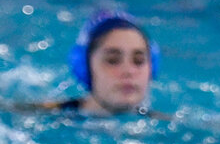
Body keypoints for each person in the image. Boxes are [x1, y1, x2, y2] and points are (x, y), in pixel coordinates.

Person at [34, 10, 164, 118]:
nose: (128, 71)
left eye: (139, 61)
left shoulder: (167, 128)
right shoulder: (39, 117)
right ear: (85, 67)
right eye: (112, 60)